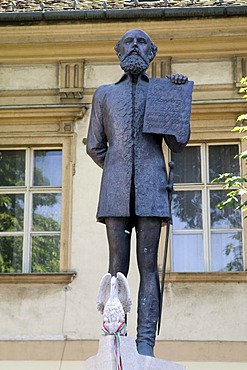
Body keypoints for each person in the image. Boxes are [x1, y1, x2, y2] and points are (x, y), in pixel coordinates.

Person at [86, 29, 190, 357]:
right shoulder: (104, 94)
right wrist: (118, 168)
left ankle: (145, 345)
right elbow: (93, 146)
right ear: (118, 51)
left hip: (152, 188)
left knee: (149, 267)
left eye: (142, 42)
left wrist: (177, 99)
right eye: (128, 42)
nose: (134, 47)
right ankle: (116, 338)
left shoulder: (161, 92)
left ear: (152, 52)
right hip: (115, 190)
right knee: (116, 266)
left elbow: (178, 142)